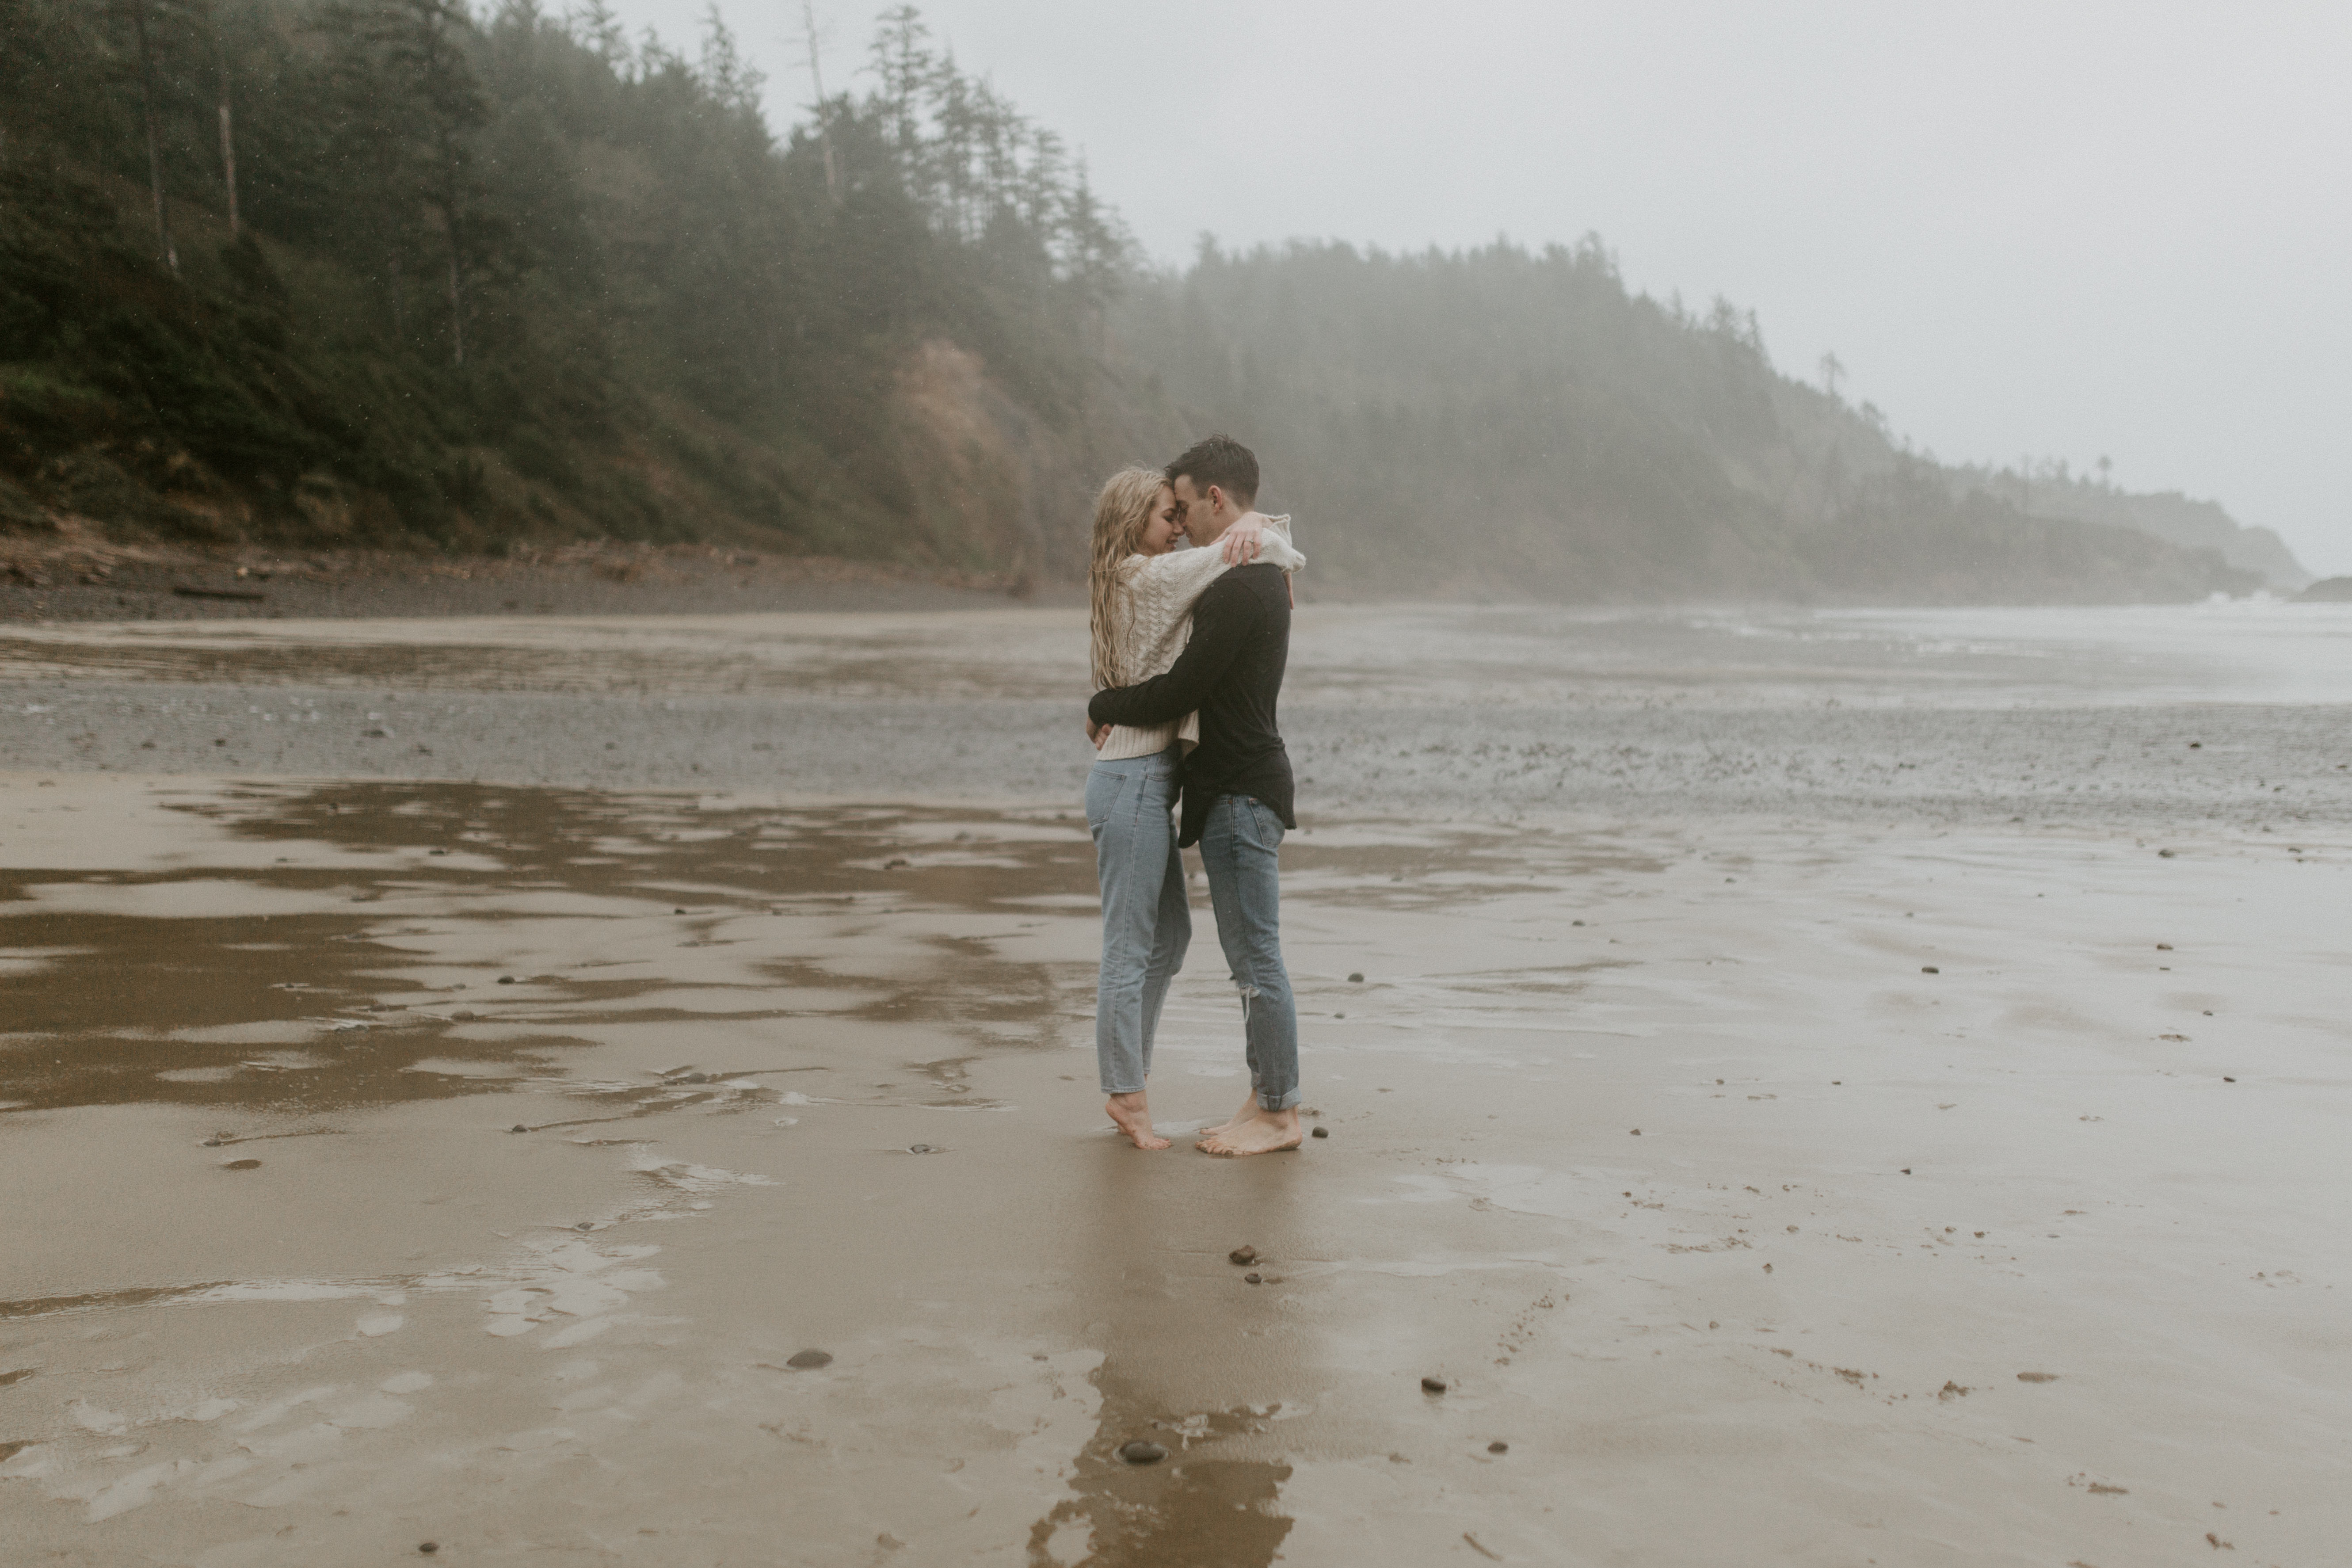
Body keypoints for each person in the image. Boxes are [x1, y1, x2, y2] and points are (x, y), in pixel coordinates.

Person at [1089, 435, 1306, 1157]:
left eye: (1182, 508)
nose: (1179, 524)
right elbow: (1182, 675)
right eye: (1164, 513)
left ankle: (1272, 1108)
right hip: (1174, 782)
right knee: (1164, 946)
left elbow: (1183, 687)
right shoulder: (1180, 578)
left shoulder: (1229, 581)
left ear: (1215, 499)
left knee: (1235, 956)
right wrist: (1266, 532)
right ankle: (1160, 1093)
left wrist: (1262, 532)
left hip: (1225, 788)